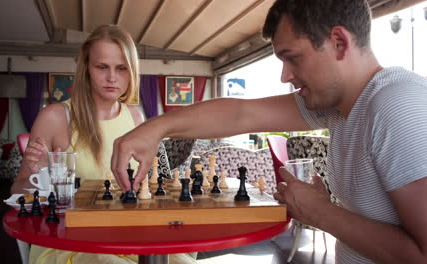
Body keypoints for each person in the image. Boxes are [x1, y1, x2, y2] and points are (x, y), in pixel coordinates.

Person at [111, 1, 427, 263]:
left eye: (292, 58)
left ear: (339, 42)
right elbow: (241, 113)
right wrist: (156, 128)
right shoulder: (338, 104)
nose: (284, 76)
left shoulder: (397, 106)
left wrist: (322, 214)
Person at [11, 25, 196, 264]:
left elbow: (148, 183)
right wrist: (35, 175)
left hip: (127, 235)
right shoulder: (55, 116)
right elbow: (17, 194)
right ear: (86, 69)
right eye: (102, 67)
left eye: (121, 69)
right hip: (70, 244)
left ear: (131, 72)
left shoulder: (136, 116)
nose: (112, 78)